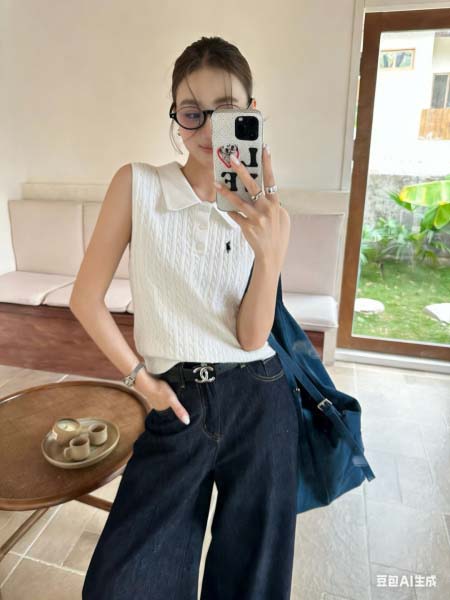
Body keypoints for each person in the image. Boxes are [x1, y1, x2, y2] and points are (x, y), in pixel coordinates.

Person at [75, 35, 299, 600]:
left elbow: (252, 335)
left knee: (252, 582)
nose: (207, 129)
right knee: (122, 584)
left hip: (260, 398)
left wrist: (271, 254)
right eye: (191, 111)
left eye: (226, 110)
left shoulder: (265, 210)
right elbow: (86, 298)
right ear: (175, 115)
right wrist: (140, 381)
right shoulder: (138, 184)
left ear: (250, 112)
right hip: (174, 401)